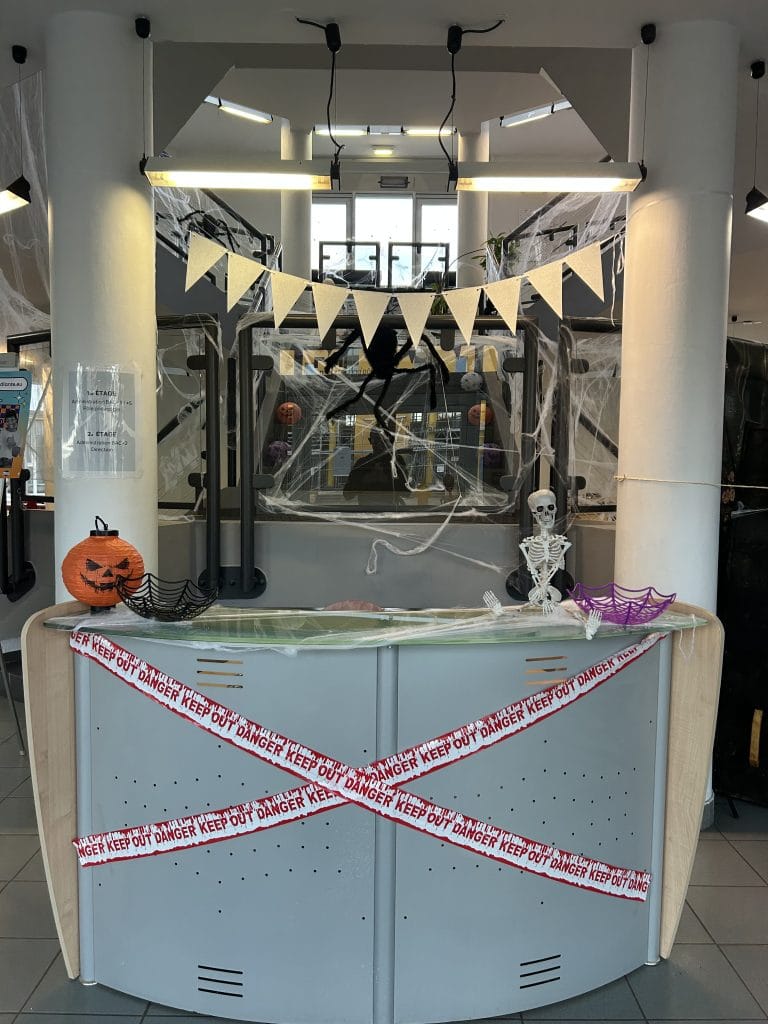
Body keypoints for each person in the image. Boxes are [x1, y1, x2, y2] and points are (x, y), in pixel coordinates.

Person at [343, 428, 410, 507]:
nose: (380, 443)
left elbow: (407, 492)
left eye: (383, 440)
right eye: (377, 439)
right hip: (384, 510)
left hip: (370, 510)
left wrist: (367, 481)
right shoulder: (396, 462)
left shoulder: (363, 463)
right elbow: (347, 494)